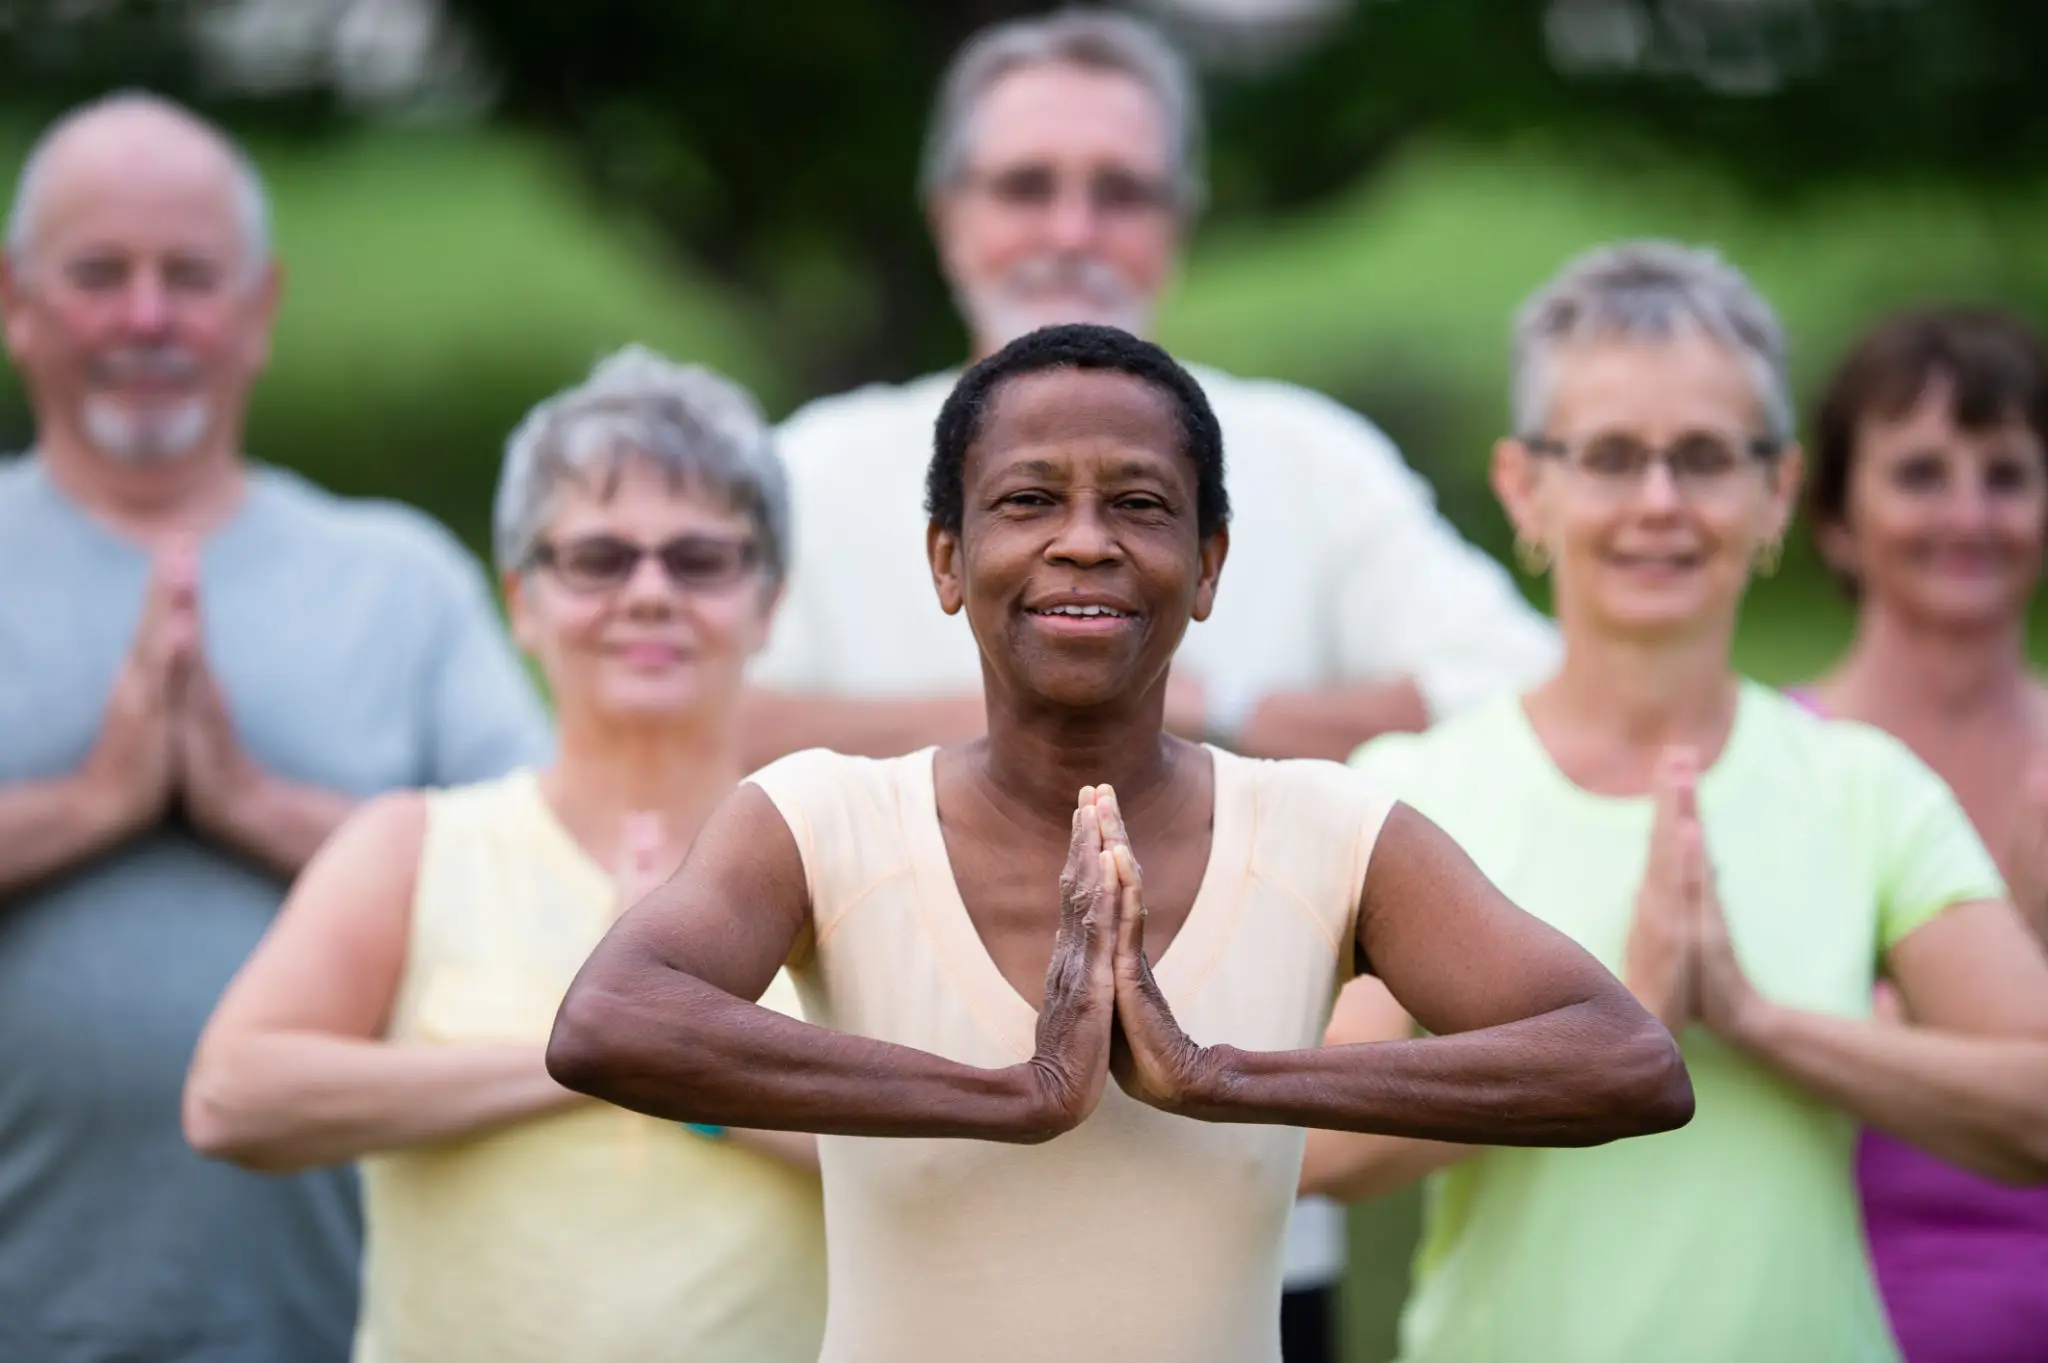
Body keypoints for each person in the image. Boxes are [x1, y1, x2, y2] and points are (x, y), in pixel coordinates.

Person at [546, 323, 1693, 1363]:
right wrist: (1010, 1096)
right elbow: (610, 1020)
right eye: (1028, 500)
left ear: (1207, 566)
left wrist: (1227, 1078)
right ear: (945, 559)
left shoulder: (1325, 829)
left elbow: (1624, 1061)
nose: (1083, 542)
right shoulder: (818, 821)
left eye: (1139, 504)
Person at [745, 14, 1559, 1335]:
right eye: (1024, 185)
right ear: (950, 213)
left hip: (1243, 1222)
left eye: (1119, 190)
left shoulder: (1309, 458)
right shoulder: (816, 466)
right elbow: (697, 727)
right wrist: (1076, 691)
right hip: (884, 1234)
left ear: (1178, 218)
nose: (1071, 225)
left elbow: (1516, 693)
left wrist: (1213, 717)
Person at [1299, 243, 2048, 1363]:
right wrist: (1602, 1046)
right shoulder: (1414, 790)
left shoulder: (1864, 787)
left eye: (1702, 456)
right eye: (1607, 456)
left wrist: (1760, 1025)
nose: (1658, 502)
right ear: (1524, 488)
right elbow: (1314, 1145)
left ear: (1775, 492)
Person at [0, 94, 552, 1362]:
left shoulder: (397, 580)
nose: (147, 315)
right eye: (99, 273)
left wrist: (252, 804)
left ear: (259, 308)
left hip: (347, 1322)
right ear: (16, 302)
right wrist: (94, 802)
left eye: (190, 275)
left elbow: (553, 891)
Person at [184, 347, 827, 1363]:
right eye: (597, 558)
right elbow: (231, 1097)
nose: (649, 593)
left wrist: (693, 1080)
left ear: (767, 601)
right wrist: (591, 1059)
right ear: (522, 600)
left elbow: (939, 1160)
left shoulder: (836, 857)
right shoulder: (412, 845)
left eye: (699, 558)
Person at [1796, 305, 2048, 1363]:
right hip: (1837, 1290)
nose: (1965, 514)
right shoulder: (1775, 765)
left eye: (2002, 474)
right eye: (1917, 474)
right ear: (1833, 519)